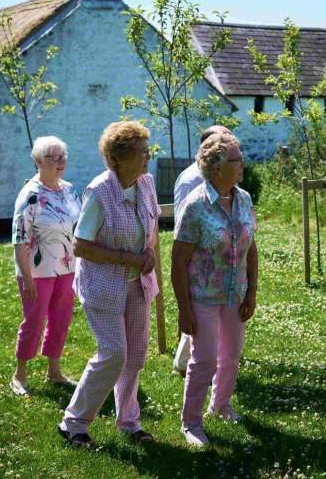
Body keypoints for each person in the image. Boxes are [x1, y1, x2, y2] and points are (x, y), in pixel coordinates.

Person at [58, 121, 160, 448]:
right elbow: (80, 246)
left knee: (136, 355)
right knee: (114, 352)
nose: (148, 157)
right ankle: (73, 423)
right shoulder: (100, 192)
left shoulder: (146, 184)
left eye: (147, 150)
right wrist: (126, 259)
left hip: (137, 285)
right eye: (142, 152)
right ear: (118, 158)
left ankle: (129, 422)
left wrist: (149, 256)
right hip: (103, 286)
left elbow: (152, 228)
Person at [171, 132, 258, 446]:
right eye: (236, 159)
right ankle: (191, 423)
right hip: (202, 296)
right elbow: (178, 260)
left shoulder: (244, 199)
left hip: (236, 294)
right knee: (204, 359)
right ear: (217, 167)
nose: (242, 164)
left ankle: (220, 405)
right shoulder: (195, 205)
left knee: (231, 356)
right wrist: (184, 309)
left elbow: (252, 248)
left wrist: (251, 292)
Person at [10, 136, 81, 396]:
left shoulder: (69, 189)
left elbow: (78, 227)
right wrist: (26, 276)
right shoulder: (30, 194)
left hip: (67, 266)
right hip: (37, 270)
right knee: (34, 320)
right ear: (38, 161)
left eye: (62, 156)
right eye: (53, 157)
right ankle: (19, 374)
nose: (60, 162)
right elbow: (19, 238)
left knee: (61, 320)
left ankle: (54, 370)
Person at [172, 125, 232, 377]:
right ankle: (186, 364)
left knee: (211, 318)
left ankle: (193, 363)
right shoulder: (193, 180)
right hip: (200, 260)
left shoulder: (218, 178)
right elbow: (185, 226)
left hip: (217, 259)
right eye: (224, 142)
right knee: (200, 316)